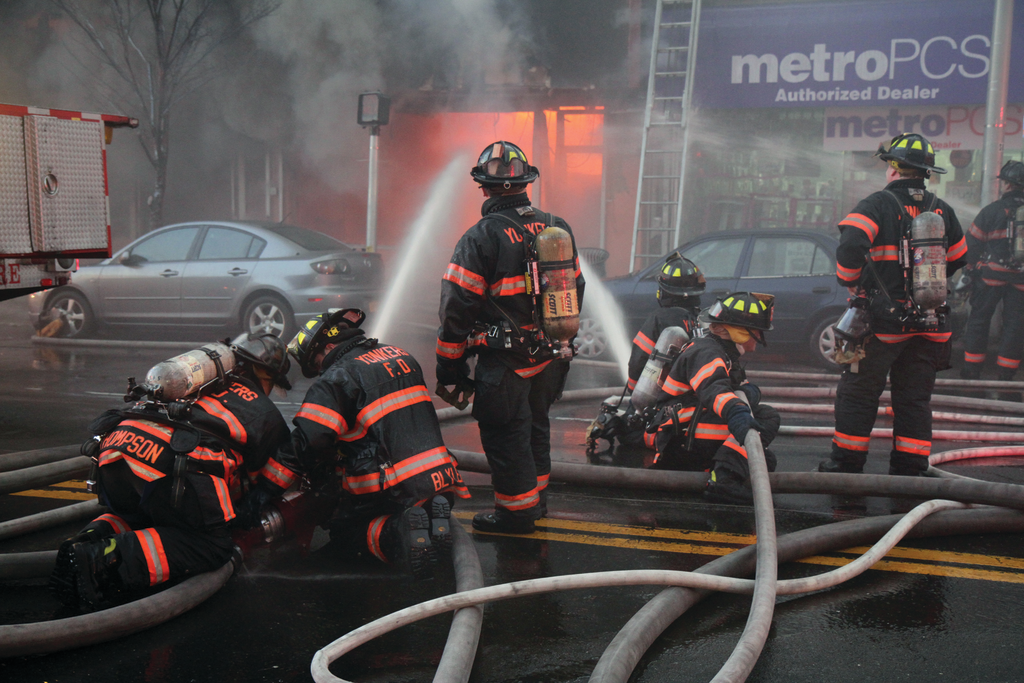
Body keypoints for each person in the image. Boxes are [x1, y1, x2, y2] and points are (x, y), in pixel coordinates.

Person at [50, 333, 297, 612]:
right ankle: (102, 557)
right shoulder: (261, 408)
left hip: (115, 446)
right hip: (174, 462)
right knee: (211, 546)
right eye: (271, 382)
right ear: (263, 371)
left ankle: (82, 544)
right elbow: (271, 472)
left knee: (138, 516)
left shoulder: (198, 383)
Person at [436, 140, 585, 534]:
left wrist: (449, 368)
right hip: (552, 355)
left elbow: (457, 309)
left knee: (506, 436)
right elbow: (576, 288)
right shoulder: (557, 227)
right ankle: (537, 504)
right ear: (526, 184)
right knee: (536, 428)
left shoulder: (482, 236)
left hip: (506, 365)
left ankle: (516, 514)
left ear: (484, 187)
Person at [819, 133, 967, 476]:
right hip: (931, 325)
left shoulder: (877, 204)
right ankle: (911, 468)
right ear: (926, 172)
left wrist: (852, 281)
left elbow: (850, 245)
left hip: (882, 326)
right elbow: (959, 257)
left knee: (859, 393)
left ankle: (846, 465)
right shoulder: (941, 210)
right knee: (914, 400)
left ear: (894, 168)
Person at [287, 308, 468, 580]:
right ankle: (432, 515)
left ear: (329, 346)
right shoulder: (401, 355)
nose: (319, 370)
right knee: (424, 511)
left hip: (390, 487)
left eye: (316, 362)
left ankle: (399, 532)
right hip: (439, 477)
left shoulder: (337, 377)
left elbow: (309, 442)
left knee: (346, 532)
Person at [646, 292, 781, 504]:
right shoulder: (708, 352)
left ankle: (723, 469)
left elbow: (736, 388)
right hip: (680, 441)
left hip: (687, 433)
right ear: (740, 331)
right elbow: (714, 390)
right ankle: (723, 480)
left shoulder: (722, 351)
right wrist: (737, 412)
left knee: (765, 455)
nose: (761, 336)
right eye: (758, 330)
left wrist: (749, 393)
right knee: (764, 419)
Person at [586, 253, 705, 454]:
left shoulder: (659, 319)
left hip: (659, 402)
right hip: (690, 404)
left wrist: (636, 396)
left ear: (664, 291)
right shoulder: (699, 321)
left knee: (628, 434)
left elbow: (638, 361)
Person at [960, 160, 1024, 381]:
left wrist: (969, 271)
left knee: (979, 319)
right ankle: (1006, 374)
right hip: (1022, 280)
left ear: (1007, 184)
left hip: (990, 277)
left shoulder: (992, 211)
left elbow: (971, 245)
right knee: (1016, 324)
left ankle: (971, 369)